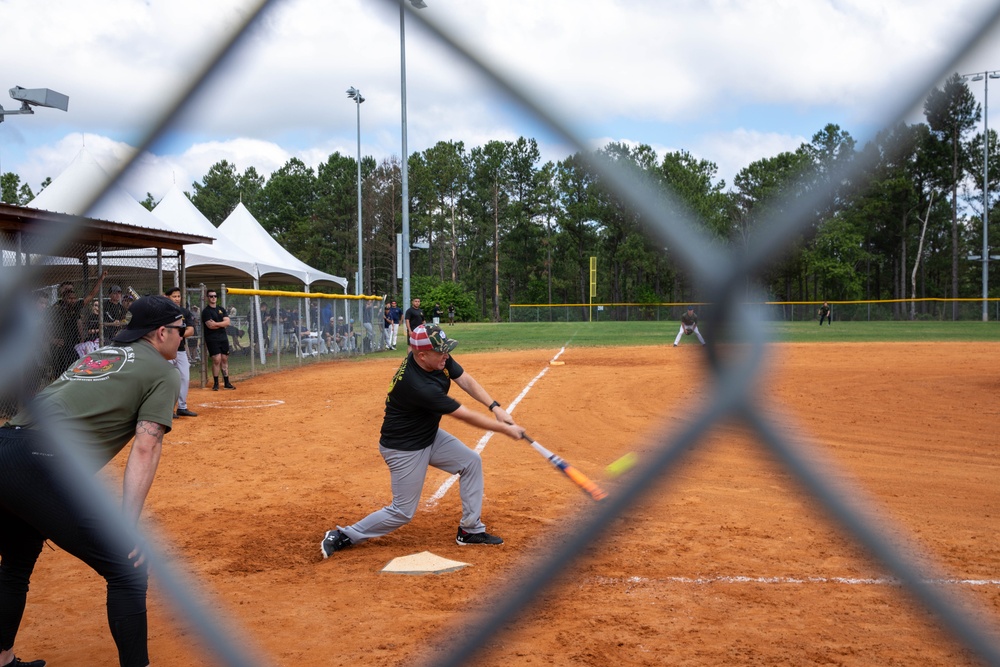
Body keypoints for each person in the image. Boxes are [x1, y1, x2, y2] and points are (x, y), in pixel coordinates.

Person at [0, 295, 185, 667]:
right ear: (161, 332)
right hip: (44, 461)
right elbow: (146, 447)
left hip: (7, 447)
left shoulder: (103, 353)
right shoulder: (164, 371)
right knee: (128, 567)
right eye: (181, 331)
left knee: (16, 563)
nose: (184, 337)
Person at [320, 323, 525, 557]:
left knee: (471, 462)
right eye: (441, 352)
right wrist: (504, 429)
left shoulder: (434, 357)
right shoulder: (418, 386)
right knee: (402, 512)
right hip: (404, 447)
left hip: (428, 434)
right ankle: (345, 535)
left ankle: (470, 531)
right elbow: (464, 415)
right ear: (422, 355)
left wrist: (495, 407)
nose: (446, 356)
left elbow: (464, 378)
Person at [49, 273, 107, 379]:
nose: (73, 300)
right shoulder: (56, 309)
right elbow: (46, 327)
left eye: (74, 298)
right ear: (64, 298)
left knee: (75, 366)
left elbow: (91, 295)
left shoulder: (76, 307)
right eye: (70, 298)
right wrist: (53, 340)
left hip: (74, 342)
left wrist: (101, 279)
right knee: (60, 370)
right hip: (61, 344)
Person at [165, 287, 197, 417]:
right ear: (168, 297)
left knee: (185, 377)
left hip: (181, 349)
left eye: (178, 296)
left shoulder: (184, 312)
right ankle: (167, 409)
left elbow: (191, 330)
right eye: (174, 296)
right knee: (168, 379)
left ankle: (182, 407)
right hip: (166, 350)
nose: (177, 299)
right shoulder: (162, 312)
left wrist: (179, 334)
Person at [201, 290, 235, 391]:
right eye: (211, 296)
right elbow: (210, 326)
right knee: (216, 360)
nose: (213, 298)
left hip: (223, 338)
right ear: (207, 298)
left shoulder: (221, 309)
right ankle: (216, 383)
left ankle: (226, 382)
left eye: (215, 296)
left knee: (224, 359)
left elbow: (227, 322)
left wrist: (217, 324)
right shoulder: (206, 311)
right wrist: (221, 324)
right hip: (212, 338)